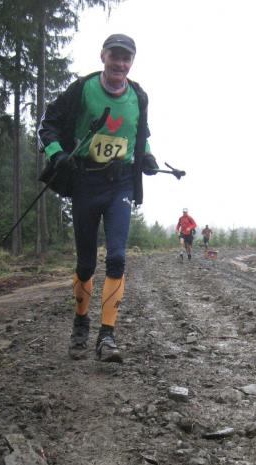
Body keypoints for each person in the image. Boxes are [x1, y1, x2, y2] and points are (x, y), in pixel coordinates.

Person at [37, 33, 159, 362]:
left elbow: (141, 134)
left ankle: (107, 337)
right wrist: (57, 153)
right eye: (114, 56)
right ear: (103, 56)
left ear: (132, 62)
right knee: (86, 264)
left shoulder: (139, 96)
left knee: (117, 258)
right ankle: (81, 323)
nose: (120, 63)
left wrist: (147, 156)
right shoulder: (82, 88)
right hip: (86, 182)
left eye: (126, 58)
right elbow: (47, 124)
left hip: (121, 184)